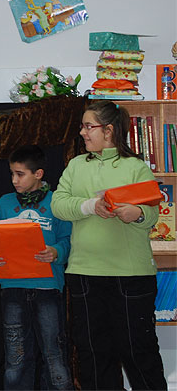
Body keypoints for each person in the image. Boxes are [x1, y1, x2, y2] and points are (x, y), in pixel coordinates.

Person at [51, 101, 167, 390]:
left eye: (88, 126)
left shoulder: (136, 167)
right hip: (84, 274)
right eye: (82, 126)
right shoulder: (76, 165)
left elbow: (152, 213)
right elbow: (58, 205)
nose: (82, 132)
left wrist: (136, 213)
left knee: (139, 352)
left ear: (109, 130)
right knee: (93, 354)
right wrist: (91, 206)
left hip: (131, 276)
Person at [0, 145, 73, 389]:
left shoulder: (56, 201)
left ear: (38, 174)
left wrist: (56, 252)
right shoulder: (5, 202)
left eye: (20, 174)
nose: (14, 180)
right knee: (16, 356)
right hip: (12, 288)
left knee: (54, 353)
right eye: (12, 174)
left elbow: (68, 240)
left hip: (47, 287)